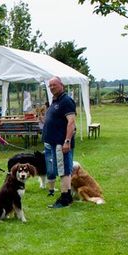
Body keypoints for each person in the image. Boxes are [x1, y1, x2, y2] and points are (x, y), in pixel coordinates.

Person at [42, 76, 77, 209]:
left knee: (63, 170)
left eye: (54, 85)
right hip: (52, 142)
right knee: (62, 169)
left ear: (61, 85)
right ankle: (67, 196)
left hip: (60, 142)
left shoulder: (66, 101)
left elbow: (71, 122)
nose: (51, 88)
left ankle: (64, 198)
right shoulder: (55, 100)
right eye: (50, 86)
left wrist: (67, 141)